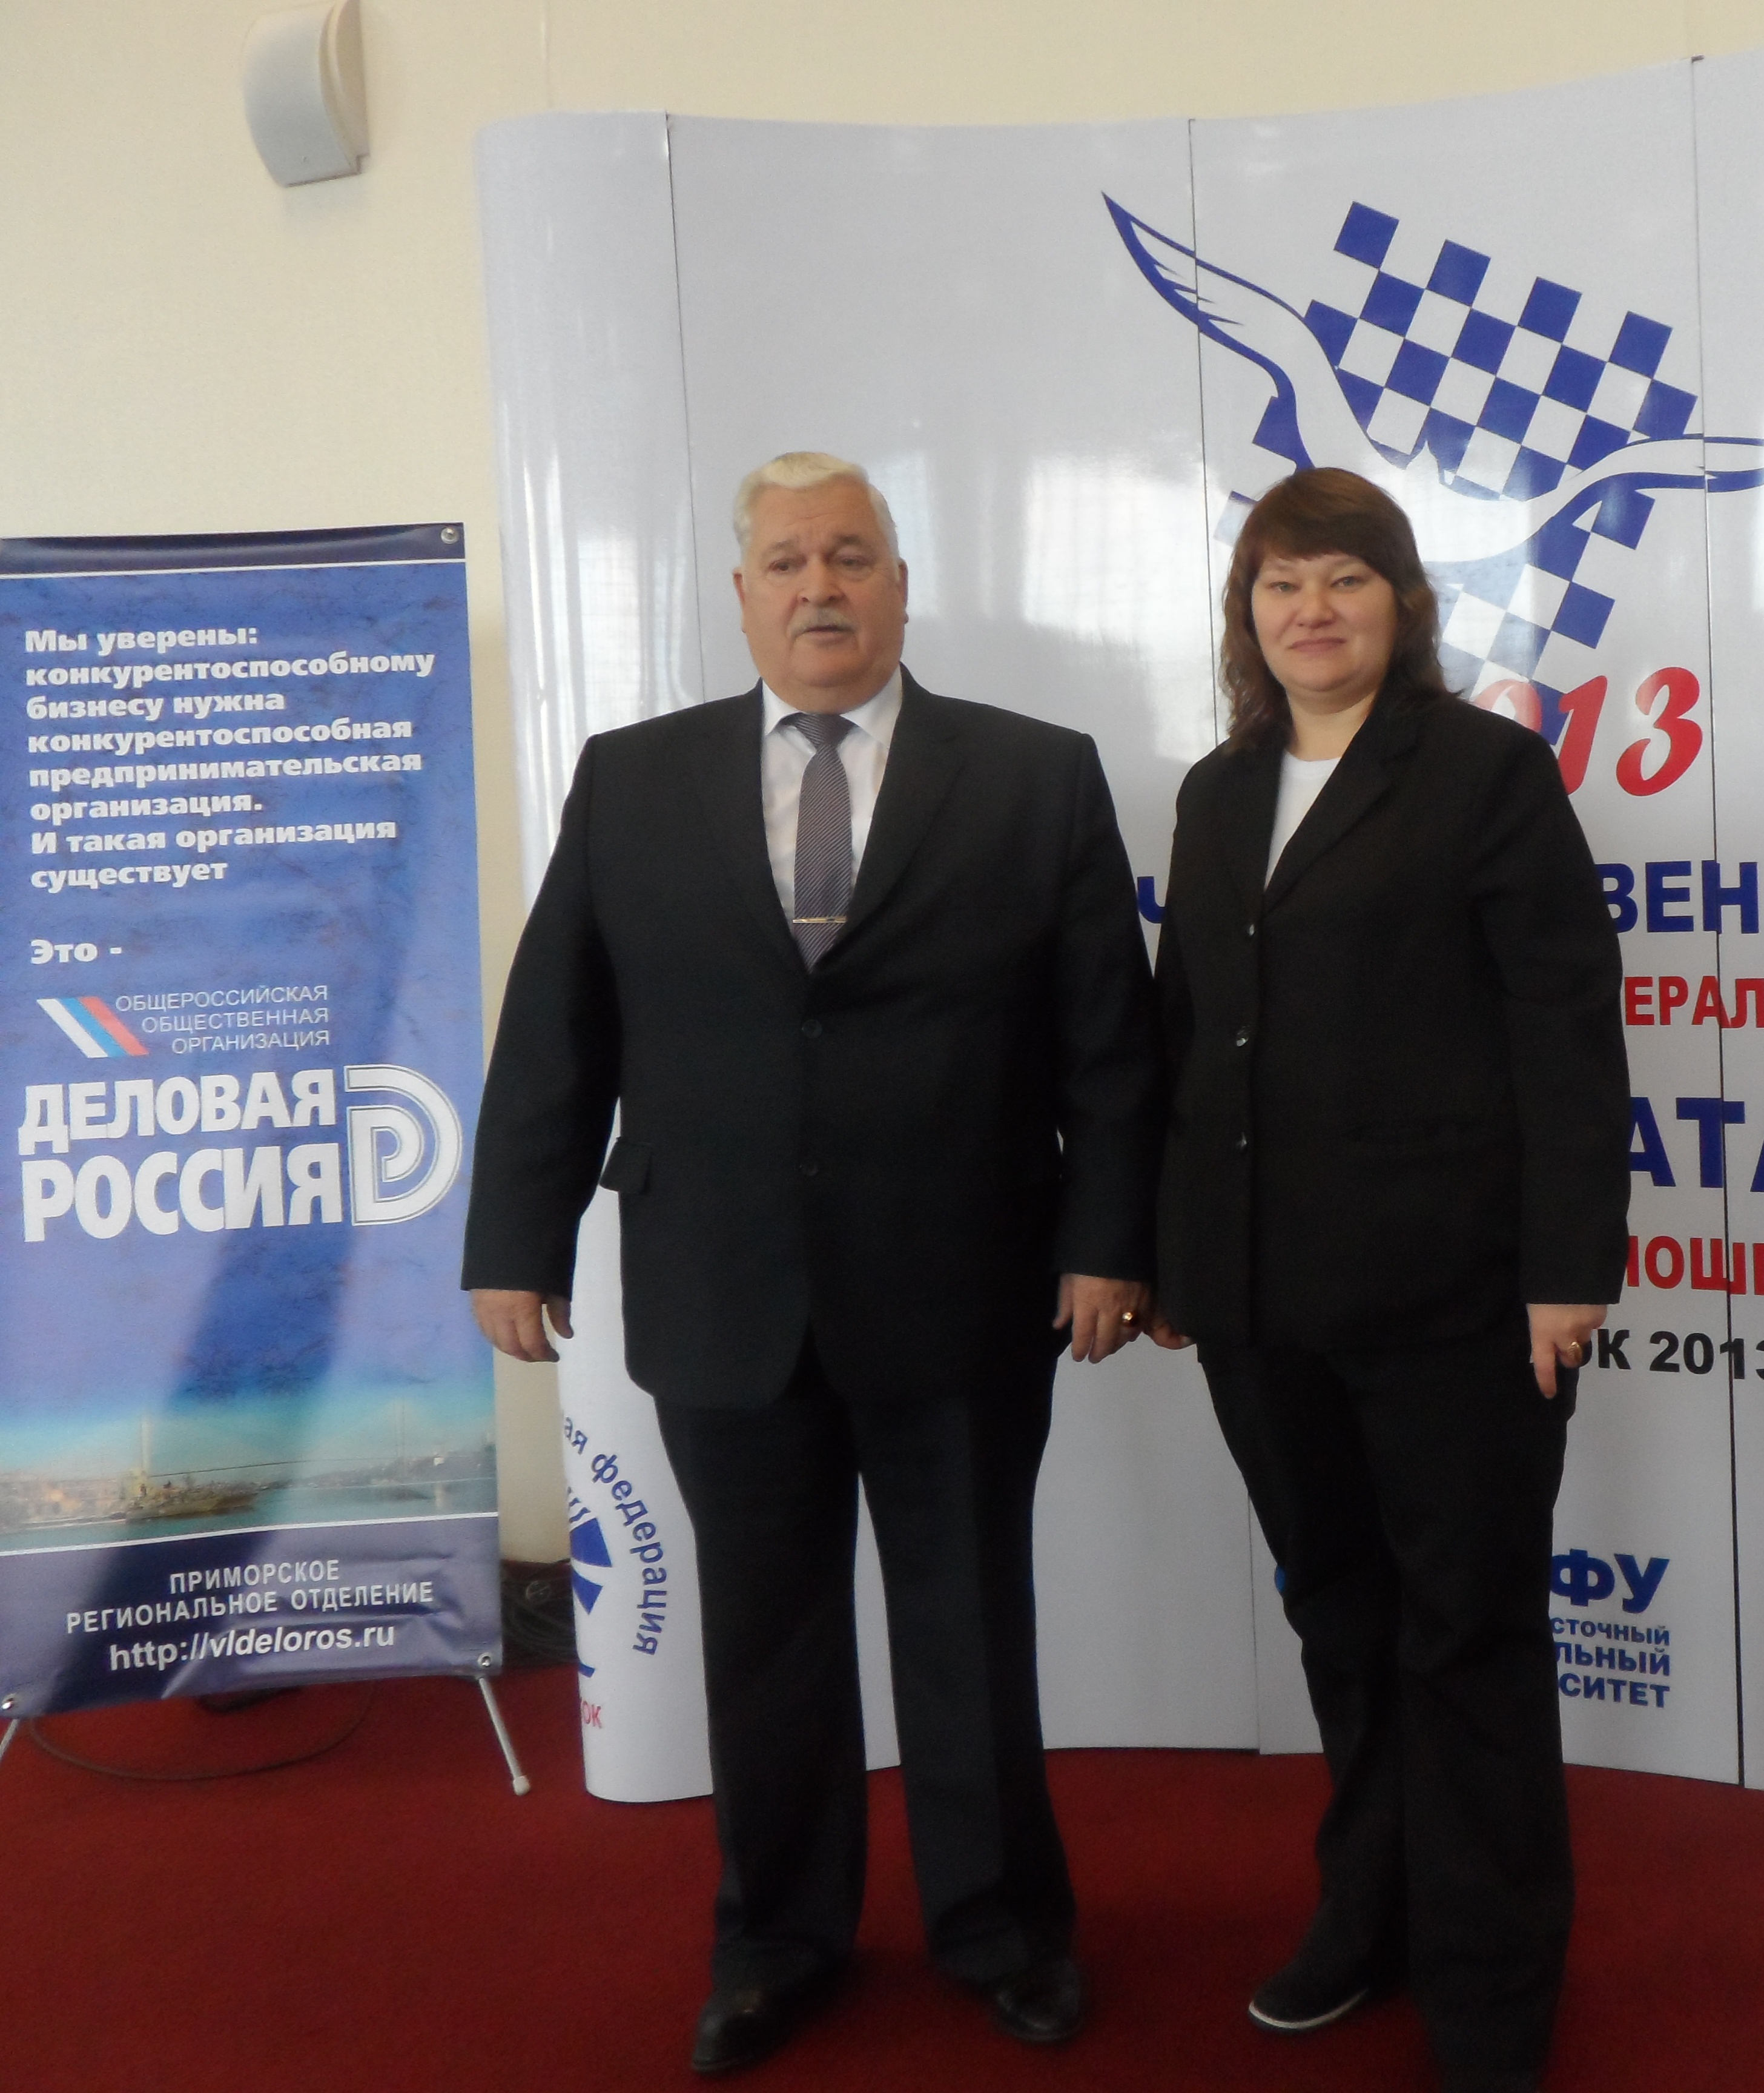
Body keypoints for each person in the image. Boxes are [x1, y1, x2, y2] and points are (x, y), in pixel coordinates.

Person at [462, 452, 1159, 2075]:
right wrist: (515, 1237)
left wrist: (1110, 1242)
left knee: (968, 1626)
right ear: (742, 596)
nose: (820, 586)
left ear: (902, 585)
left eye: (851, 555)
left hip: (965, 1284)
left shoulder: (1035, 775)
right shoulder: (631, 781)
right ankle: (776, 1940)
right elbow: (558, 1025)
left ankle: (1003, 1928)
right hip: (724, 1291)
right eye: (787, 560)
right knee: (766, 1642)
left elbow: (1110, 1043)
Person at [1145, 467, 1631, 2093]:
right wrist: (1169, 1254)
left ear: (1404, 606)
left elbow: (1564, 1027)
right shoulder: (1219, 791)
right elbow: (1185, 1034)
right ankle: (1373, 1912)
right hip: (1259, 1303)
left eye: (1345, 579)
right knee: (1343, 1627)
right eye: (1282, 583)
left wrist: (1568, 1265)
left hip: (1457, 1303)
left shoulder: (1485, 771)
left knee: (1465, 1634)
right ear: (1249, 614)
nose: (1313, 610)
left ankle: (1494, 1982)